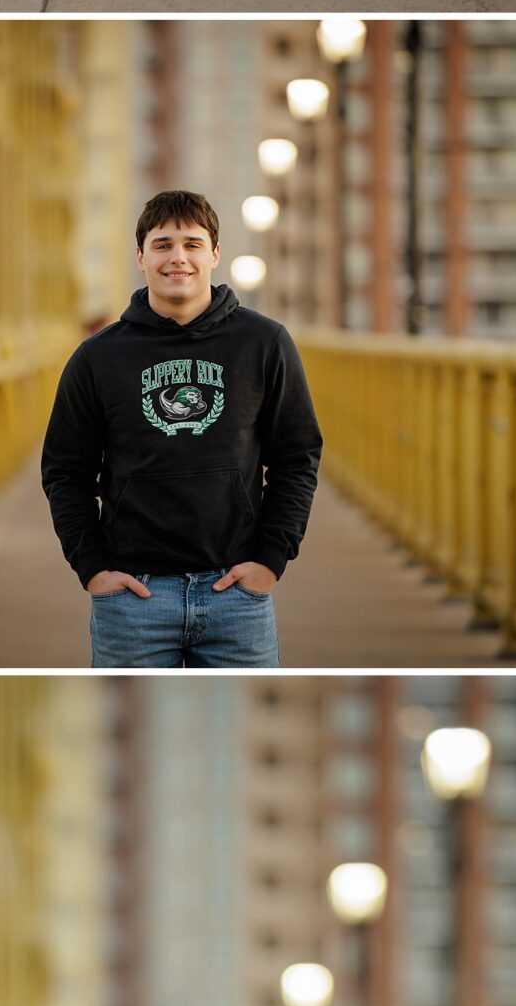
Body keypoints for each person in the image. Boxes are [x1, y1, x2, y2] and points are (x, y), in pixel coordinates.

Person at [41, 190, 323, 668]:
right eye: (163, 244)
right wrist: (92, 569)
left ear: (215, 254)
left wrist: (272, 560)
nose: (178, 257)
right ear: (141, 256)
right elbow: (65, 469)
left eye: (192, 244)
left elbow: (297, 456)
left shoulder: (265, 343)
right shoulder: (98, 357)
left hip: (236, 596)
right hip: (134, 600)